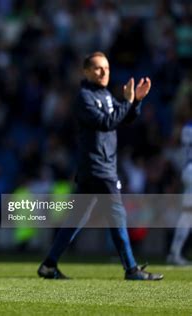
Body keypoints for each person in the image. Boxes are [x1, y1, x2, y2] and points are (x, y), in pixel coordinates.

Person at [37, 52, 163, 280]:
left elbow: (124, 118)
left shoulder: (104, 95)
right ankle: (131, 269)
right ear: (86, 72)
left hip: (97, 168)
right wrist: (127, 102)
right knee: (117, 215)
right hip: (98, 167)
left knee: (77, 219)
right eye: (97, 68)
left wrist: (136, 102)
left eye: (106, 68)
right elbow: (107, 122)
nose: (104, 72)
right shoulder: (84, 98)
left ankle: (48, 265)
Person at [167, 122, 192, 265]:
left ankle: (174, 252)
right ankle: (174, 253)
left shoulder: (186, 127)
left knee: (187, 216)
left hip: (187, 169)